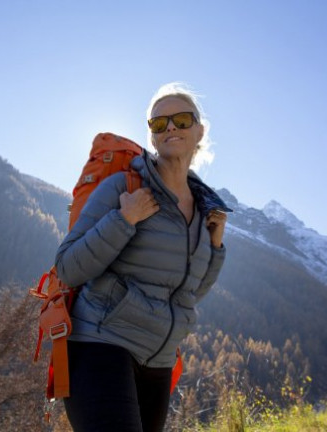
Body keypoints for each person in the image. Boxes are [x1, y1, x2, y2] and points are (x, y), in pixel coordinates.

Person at [54, 82, 231, 432]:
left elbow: (190, 293)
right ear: (151, 136)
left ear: (200, 131)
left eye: (181, 119)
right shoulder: (123, 188)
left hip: (159, 362)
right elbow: (68, 267)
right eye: (158, 122)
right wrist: (124, 220)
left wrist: (216, 248)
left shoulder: (204, 210)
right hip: (101, 345)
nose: (170, 128)